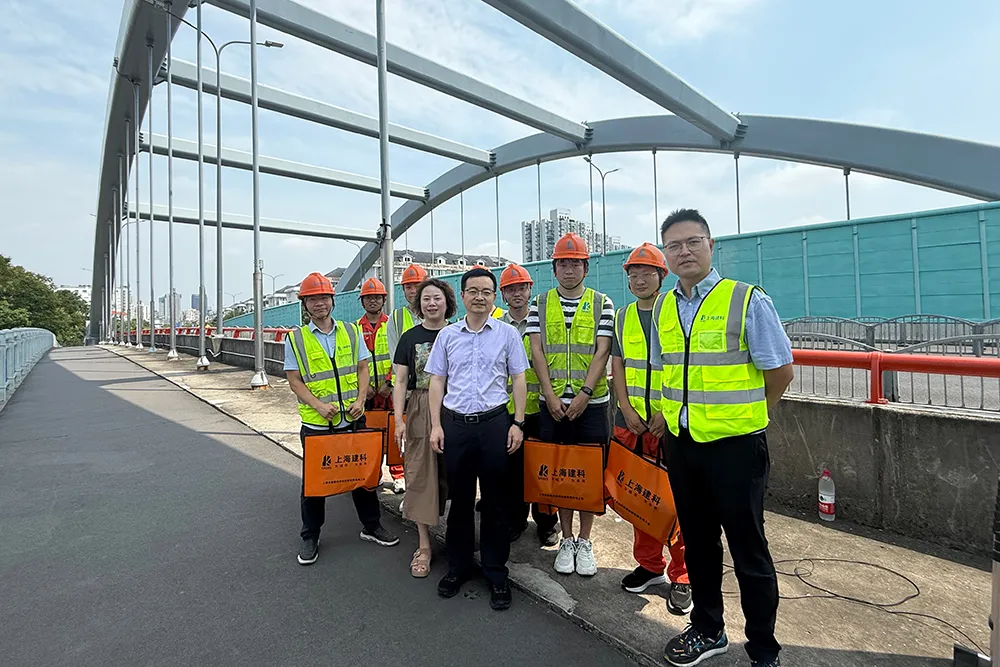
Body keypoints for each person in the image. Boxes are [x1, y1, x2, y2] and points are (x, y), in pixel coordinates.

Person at [655, 210, 794, 667]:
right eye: (674, 246)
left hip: (736, 448)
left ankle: (763, 649)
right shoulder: (664, 307)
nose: (684, 252)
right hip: (683, 444)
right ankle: (708, 628)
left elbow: (780, 371)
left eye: (693, 242)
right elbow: (667, 369)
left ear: (711, 245)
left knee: (748, 548)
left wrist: (750, 416)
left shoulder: (746, 299)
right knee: (698, 544)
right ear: (666, 254)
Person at [426, 267, 529, 611]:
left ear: (494, 296)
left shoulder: (507, 334)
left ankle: (496, 571)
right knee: (460, 500)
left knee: (497, 501)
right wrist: (436, 425)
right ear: (463, 296)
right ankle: (458, 567)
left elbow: (518, 379)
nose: (480, 297)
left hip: (495, 424)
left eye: (486, 291)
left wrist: (517, 423)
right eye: (473, 291)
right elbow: (437, 381)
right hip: (456, 425)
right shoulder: (447, 336)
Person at [284, 272, 400, 566]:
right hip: (317, 424)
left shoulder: (350, 331)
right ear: (305, 304)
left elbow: (362, 368)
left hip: (352, 419)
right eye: (313, 299)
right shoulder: (296, 339)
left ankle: (372, 526)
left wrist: (360, 400)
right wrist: (318, 406)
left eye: (324, 297)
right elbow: (294, 380)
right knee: (314, 485)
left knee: (363, 476)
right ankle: (310, 535)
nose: (319, 303)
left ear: (332, 301)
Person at [610, 243, 692, 614]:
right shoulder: (623, 316)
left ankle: (683, 575)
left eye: (647, 273)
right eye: (634, 274)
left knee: (677, 503)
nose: (640, 280)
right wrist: (625, 409)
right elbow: (618, 366)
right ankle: (649, 565)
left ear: (662, 276)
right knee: (639, 496)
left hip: (669, 424)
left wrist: (665, 412)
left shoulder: (676, 311)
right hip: (631, 423)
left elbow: (685, 365)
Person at [527, 233, 614, 577]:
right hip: (552, 405)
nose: (568, 269)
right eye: (562, 263)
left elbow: (602, 350)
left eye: (575, 263)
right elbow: (536, 350)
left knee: (588, 473)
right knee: (561, 471)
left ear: (585, 268)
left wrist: (585, 394)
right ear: (554, 268)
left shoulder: (602, 303)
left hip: (591, 404)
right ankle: (566, 539)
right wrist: (549, 394)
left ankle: (585, 540)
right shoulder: (539, 303)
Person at [392, 278, 456, 578]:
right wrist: (399, 419)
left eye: (437, 298)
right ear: (419, 305)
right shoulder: (410, 338)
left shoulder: (459, 332)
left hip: (455, 406)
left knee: (456, 474)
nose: (431, 303)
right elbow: (401, 381)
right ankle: (424, 546)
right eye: (426, 299)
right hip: (419, 407)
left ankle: (458, 539)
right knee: (420, 473)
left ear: (448, 303)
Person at [498, 263, 560, 546]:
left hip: (543, 409)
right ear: (503, 294)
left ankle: (547, 523)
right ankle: (516, 519)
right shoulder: (497, 326)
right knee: (512, 471)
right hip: (509, 411)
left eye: (521, 288)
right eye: (511, 289)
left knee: (544, 470)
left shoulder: (543, 321)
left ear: (530, 290)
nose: (517, 293)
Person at [357, 277, 405, 492]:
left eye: (377, 297)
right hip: (367, 394)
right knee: (369, 434)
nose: (373, 301)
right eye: (368, 298)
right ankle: (373, 473)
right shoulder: (355, 328)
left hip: (390, 391)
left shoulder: (392, 324)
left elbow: (400, 357)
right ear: (362, 301)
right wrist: (363, 388)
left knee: (395, 430)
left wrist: (390, 383)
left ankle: (398, 475)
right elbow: (352, 361)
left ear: (384, 300)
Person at [385, 263, 428, 494]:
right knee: (411, 443)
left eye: (417, 285)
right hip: (410, 392)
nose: (413, 290)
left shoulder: (437, 311)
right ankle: (412, 492)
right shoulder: (396, 317)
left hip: (436, 392)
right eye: (408, 286)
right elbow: (396, 358)